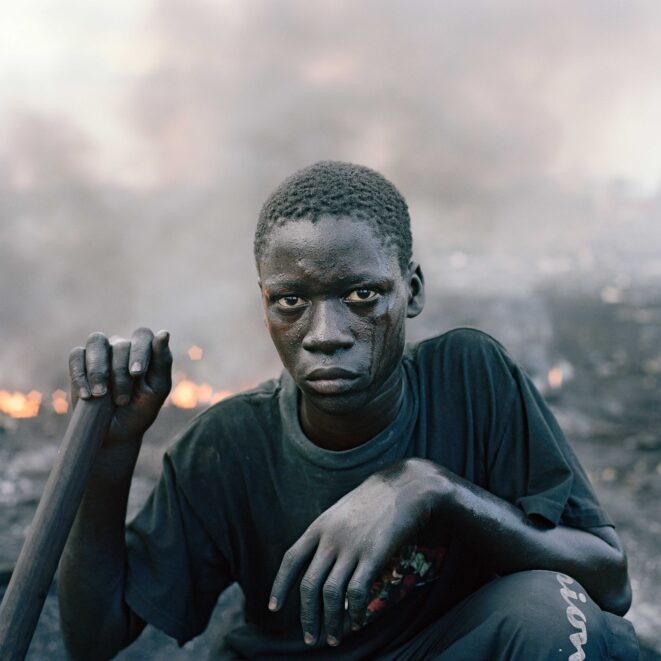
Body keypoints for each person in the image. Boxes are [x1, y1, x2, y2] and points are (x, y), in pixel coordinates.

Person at [59, 161, 639, 660]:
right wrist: (111, 457)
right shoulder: (226, 446)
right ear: (265, 306)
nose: (325, 334)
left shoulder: (471, 378)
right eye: (292, 301)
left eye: (362, 295)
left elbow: (607, 582)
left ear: (411, 291)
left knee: (554, 614)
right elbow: (95, 640)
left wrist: (433, 489)